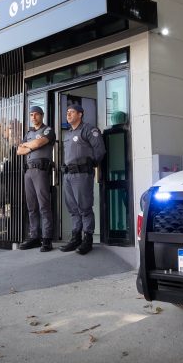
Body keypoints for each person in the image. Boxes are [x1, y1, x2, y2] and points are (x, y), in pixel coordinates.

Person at [60, 103, 106, 255]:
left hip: (82, 174)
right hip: (68, 175)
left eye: (72, 112)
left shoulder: (88, 129)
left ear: (80, 114)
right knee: (73, 208)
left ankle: (88, 239)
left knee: (84, 207)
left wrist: (90, 164)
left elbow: (100, 150)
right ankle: (76, 238)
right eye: (67, 112)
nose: (68, 114)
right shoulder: (67, 134)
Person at [17, 106, 56, 252]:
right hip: (28, 171)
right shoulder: (29, 133)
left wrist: (28, 146)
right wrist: (30, 146)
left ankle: (47, 239)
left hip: (41, 170)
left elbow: (39, 143)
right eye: (31, 115)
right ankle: (34, 237)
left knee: (44, 205)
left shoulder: (47, 130)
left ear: (42, 115)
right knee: (31, 206)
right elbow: (18, 150)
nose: (33, 117)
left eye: (36, 114)